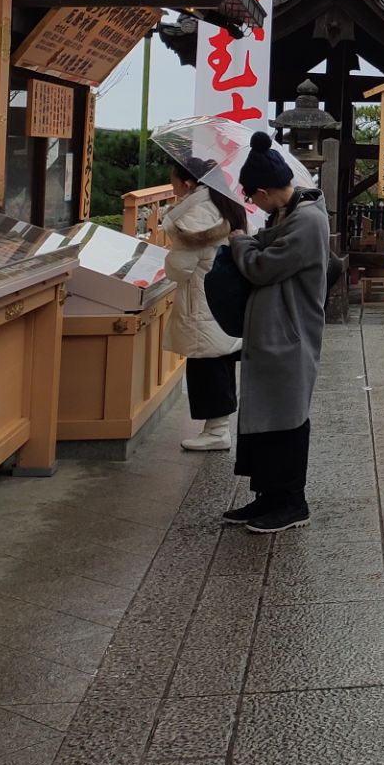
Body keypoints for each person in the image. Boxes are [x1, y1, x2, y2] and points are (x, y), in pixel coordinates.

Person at [225, 132, 330, 534]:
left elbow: (262, 266)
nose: (254, 205)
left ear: (267, 191)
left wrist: (240, 245)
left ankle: (291, 502)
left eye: (254, 198)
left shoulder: (308, 220)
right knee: (267, 415)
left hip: (291, 333)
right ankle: (267, 496)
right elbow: (266, 245)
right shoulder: (290, 213)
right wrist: (250, 241)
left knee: (286, 418)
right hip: (274, 332)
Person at [162, 156, 247, 451]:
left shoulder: (196, 213)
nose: (171, 186)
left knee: (205, 367)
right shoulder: (221, 203)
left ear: (187, 183)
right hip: (220, 298)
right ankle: (217, 428)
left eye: (174, 180)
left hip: (200, 300)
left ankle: (217, 431)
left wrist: (168, 256)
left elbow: (179, 268)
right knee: (217, 363)